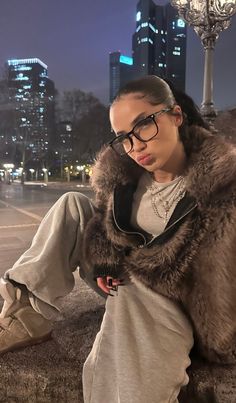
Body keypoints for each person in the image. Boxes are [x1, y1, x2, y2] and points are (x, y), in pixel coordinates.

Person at [0, 76, 235, 402]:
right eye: (123, 137)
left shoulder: (218, 186)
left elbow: (217, 276)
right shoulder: (125, 179)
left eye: (144, 126)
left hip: (181, 302)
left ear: (176, 116)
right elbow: (105, 232)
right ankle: (26, 315)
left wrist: (136, 273)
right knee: (71, 205)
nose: (135, 145)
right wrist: (104, 264)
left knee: (133, 293)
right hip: (127, 281)